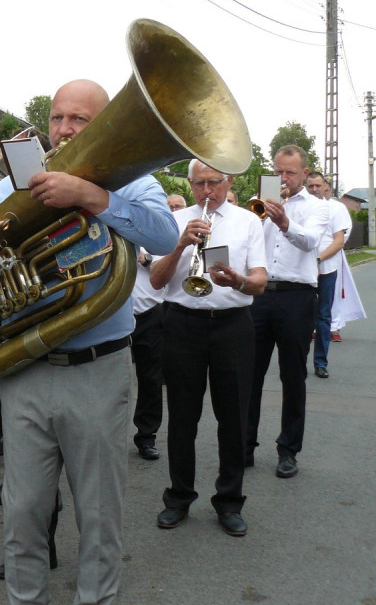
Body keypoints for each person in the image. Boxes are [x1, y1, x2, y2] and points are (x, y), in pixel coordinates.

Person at [0, 79, 178, 605]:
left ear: (104, 122)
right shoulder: (24, 175)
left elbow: (164, 235)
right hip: (25, 368)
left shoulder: (134, 178)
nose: (65, 129)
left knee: (99, 512)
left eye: (79, 119)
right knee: (23, 510)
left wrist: (93, 197)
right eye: (57, 118)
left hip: (98, 369)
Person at [149, 160, 266, 536]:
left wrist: (238, 280)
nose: (206, 191)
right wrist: (180, 244)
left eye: (213, 182)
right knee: (182, 417)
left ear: (228, 181)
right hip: (182, 323)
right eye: (198, 184)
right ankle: (178, 497)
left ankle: (229, 502)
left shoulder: (248, 221)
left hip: (233, 325)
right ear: (189, 183)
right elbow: (156, 280)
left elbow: (260, 281)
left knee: (233, 417)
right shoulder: (175, 220)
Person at [246, 145, 328, 480]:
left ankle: (288, 450)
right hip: (260, 294)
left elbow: (310, 242)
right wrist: (258, 213)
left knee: (293, 375)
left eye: (290, 172)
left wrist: (283, 221)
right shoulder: (259, 202)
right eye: (278, 171)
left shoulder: (317, 207)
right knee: (249, 373)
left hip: (297, 296)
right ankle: (244, 444)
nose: (283, 178)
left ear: (304, 173)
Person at [305, 174, 350, 377]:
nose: (315, 189)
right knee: (301, 316)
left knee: (323, 316)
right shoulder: (301, 207)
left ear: (325, 187)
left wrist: (318, 259)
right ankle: (297, 360)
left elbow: (339, 242)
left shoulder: (337, 208)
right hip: (302, 271)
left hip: (327, 269)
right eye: (311, 186)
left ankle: (320, 362)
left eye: (318, 185)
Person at [131, 244, 165, 461]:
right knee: (108, 380)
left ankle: (146, 436)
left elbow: (171, 269)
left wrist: (147, 259)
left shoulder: (154, 234)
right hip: (111, 316)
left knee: (150, 378)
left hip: (148, 314)